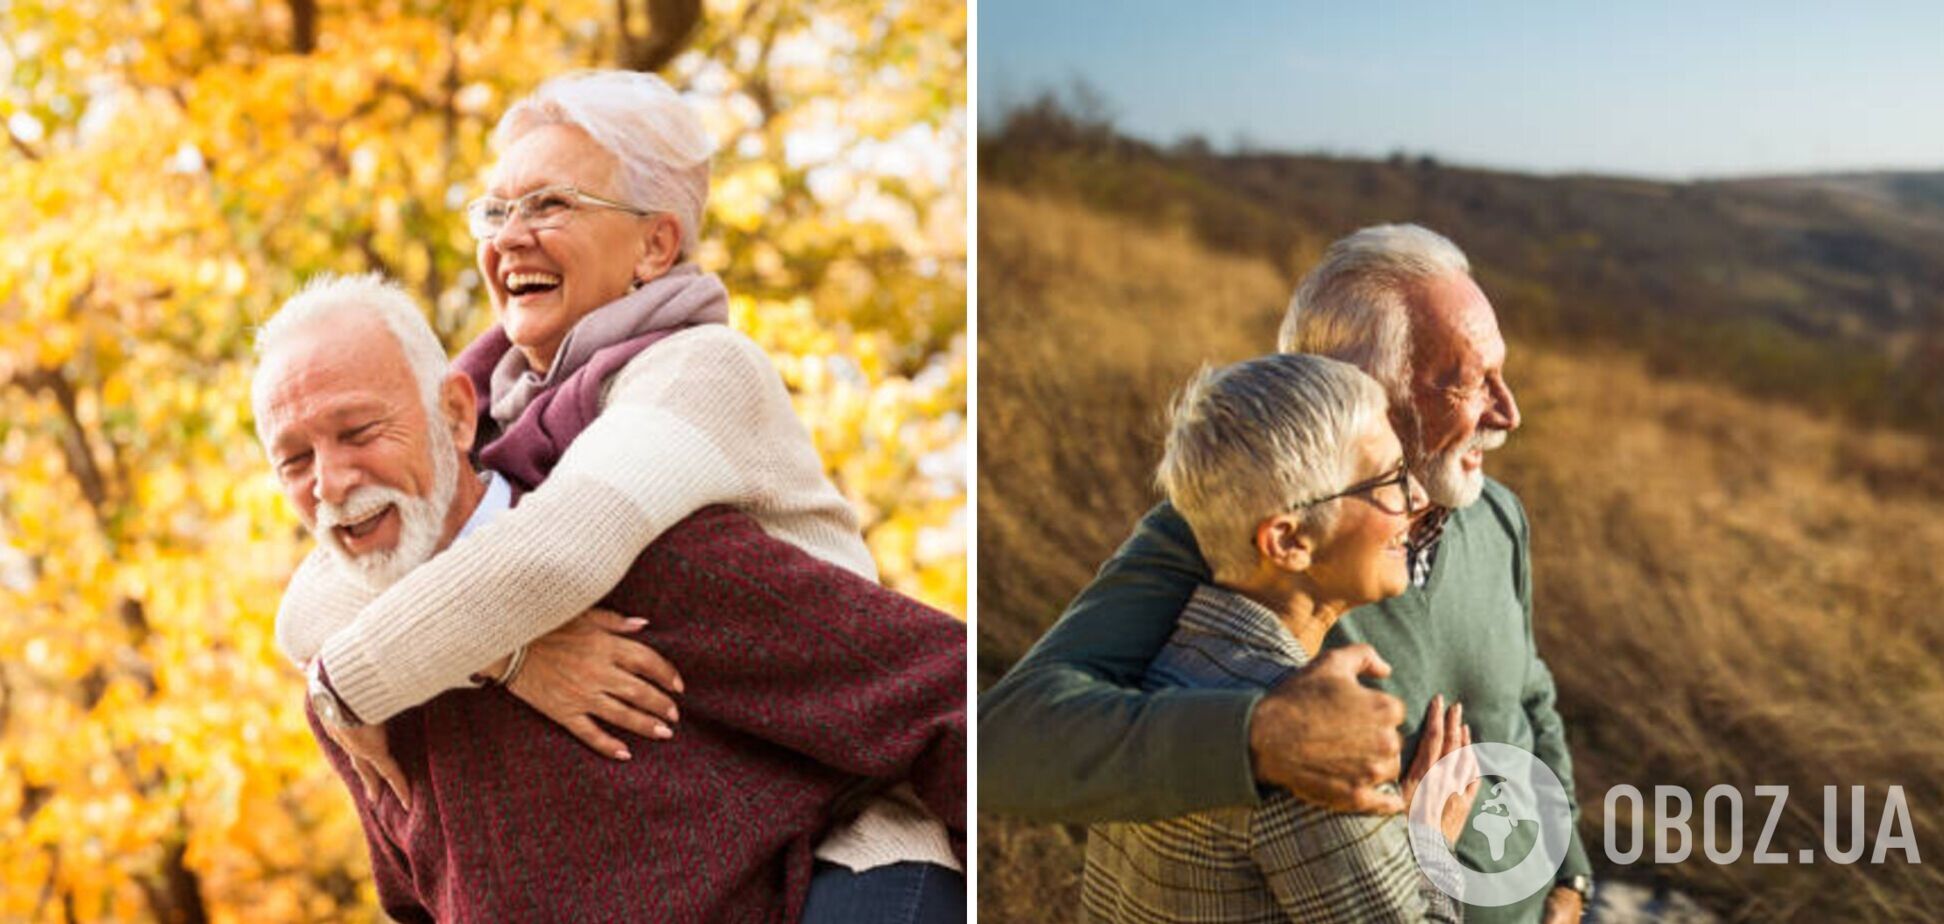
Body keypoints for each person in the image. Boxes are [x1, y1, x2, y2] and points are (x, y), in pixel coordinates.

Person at [273, 70, 962, 918]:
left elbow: (557, 554)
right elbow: (317, 594)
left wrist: (345, 685)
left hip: (841, 827)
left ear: (654, 247)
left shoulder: (701, 371)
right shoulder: (485, 409)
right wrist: (510, 657)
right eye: (495, 211)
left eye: (550, 206)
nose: (509, 238)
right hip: (710, 829)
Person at [979, 225, 1593, 923]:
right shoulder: (1219, 534)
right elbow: (1004, 747)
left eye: (1500, 375)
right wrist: (1262, 736)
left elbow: (1529, 701)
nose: (1508, 413)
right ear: (1353, 391)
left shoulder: (1499, 515)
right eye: (1468, 383)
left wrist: (1569, 880)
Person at [1080, 353, 1477, 922]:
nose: (1416, 500)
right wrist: (1430, 845)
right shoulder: (1311, 753)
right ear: (1289, 541)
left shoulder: (1148, 663)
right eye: (1389, 479)